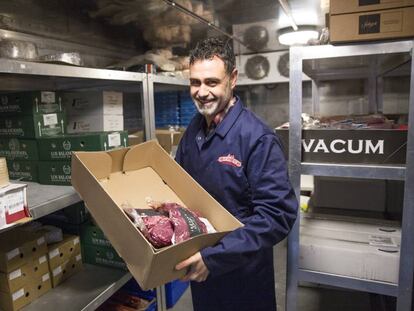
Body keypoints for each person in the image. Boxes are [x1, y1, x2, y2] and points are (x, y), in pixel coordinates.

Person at [174, 37, 298, 311]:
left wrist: (215, 258)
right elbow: (178, 187)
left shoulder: (257, 138)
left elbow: (276, 215)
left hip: (244, 278)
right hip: (201, 272)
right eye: (195, 82)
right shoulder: (193, 131)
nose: (202, 92)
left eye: (212, 82)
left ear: (232, 79)